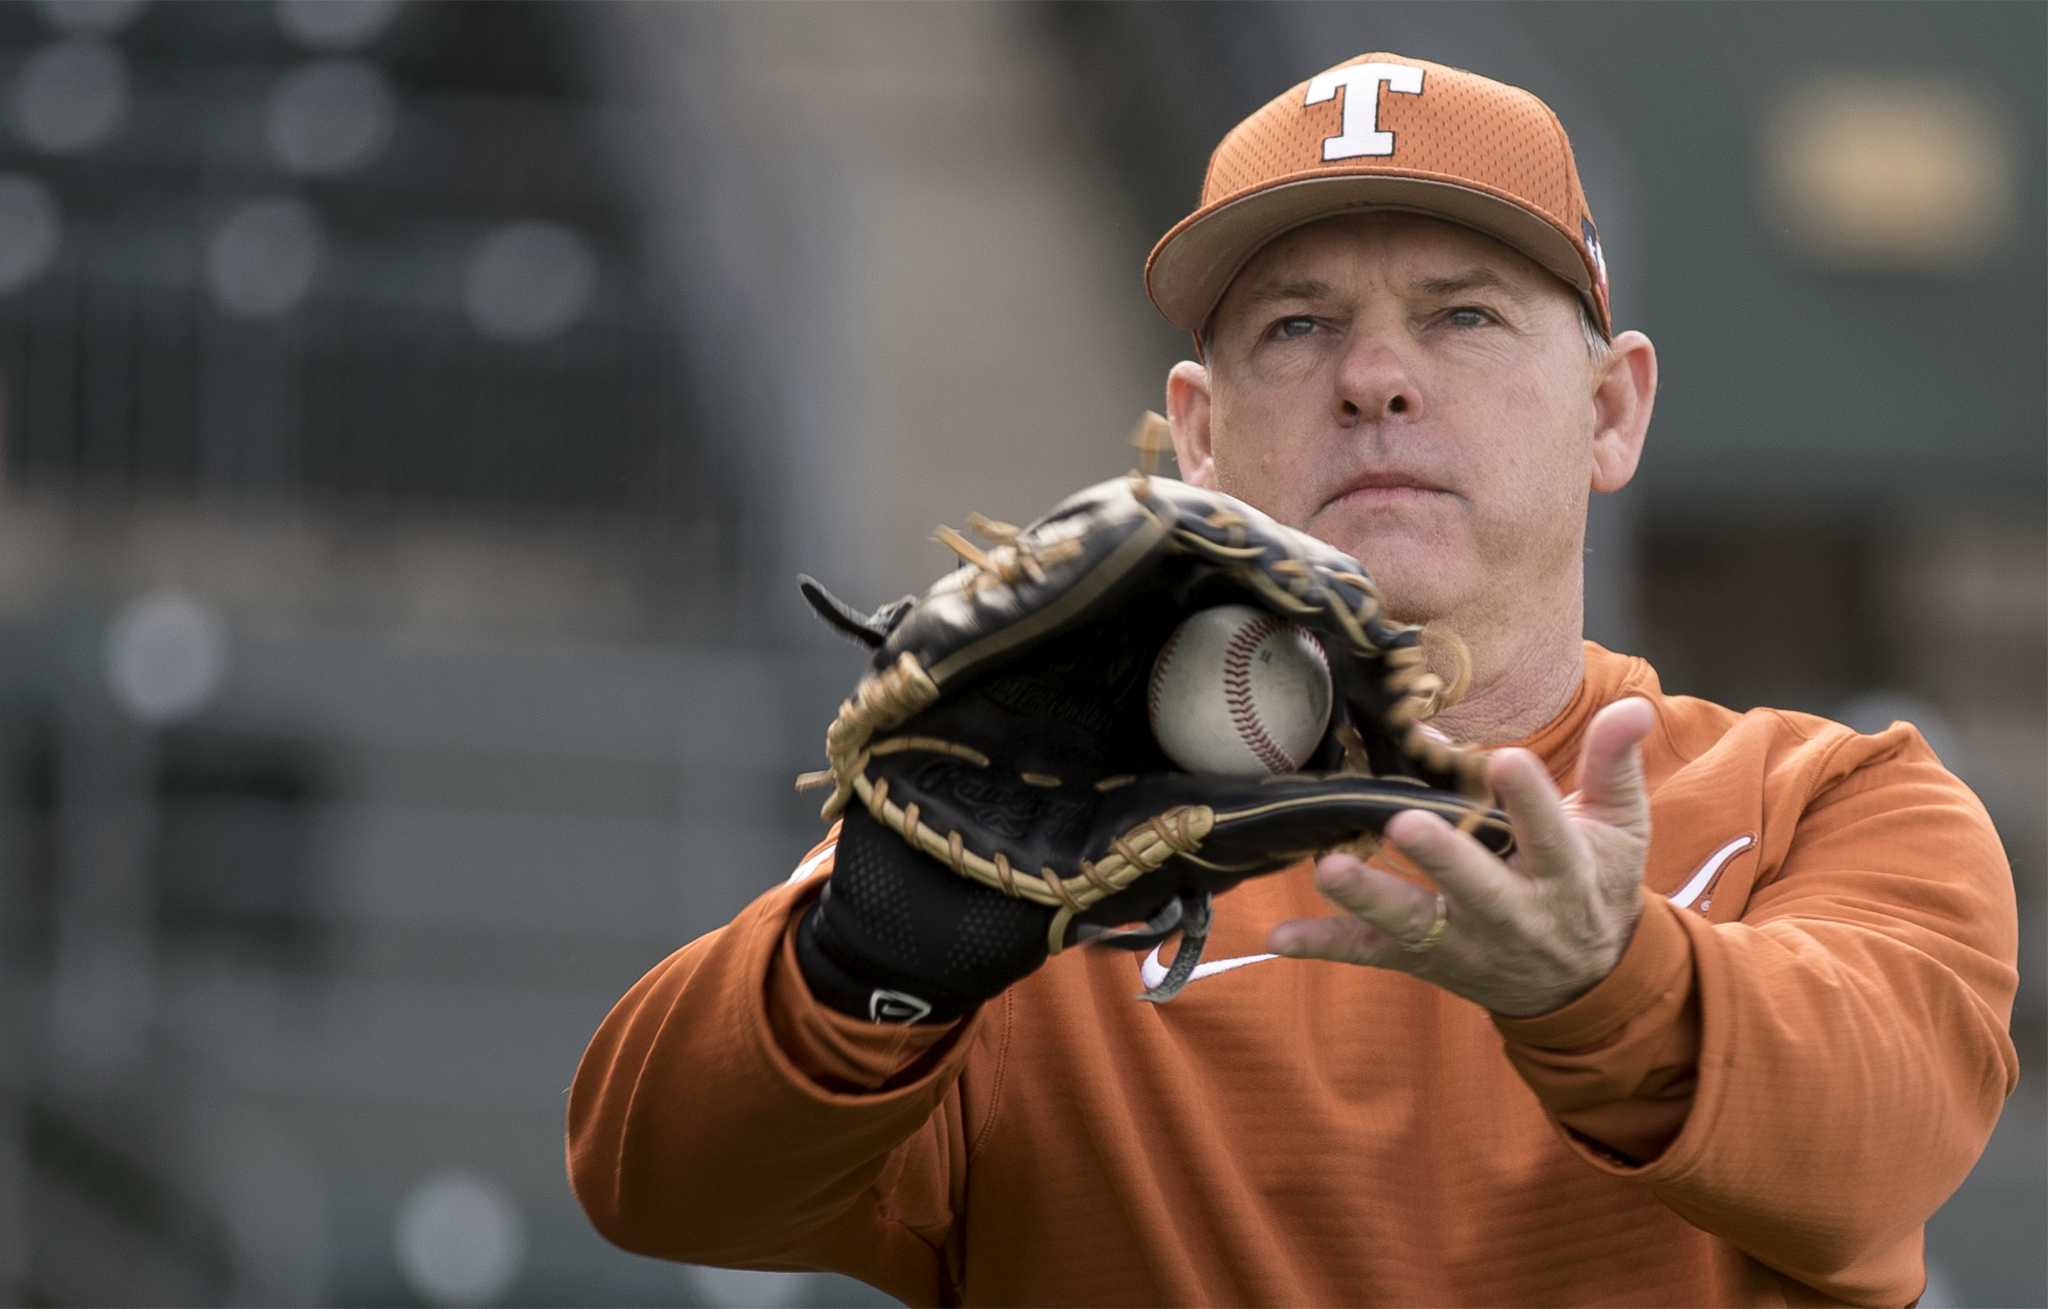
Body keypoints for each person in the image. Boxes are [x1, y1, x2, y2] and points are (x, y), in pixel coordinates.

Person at [566, 52, 2018, 1306]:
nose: (1375, 376)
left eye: (1462, 315)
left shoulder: (1831, 803)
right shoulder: (1057, 834)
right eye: (1298, 326)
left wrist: (1605, 987)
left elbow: (1877, 1143)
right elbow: (662, 1184)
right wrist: (866, 957)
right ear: (1197, 434)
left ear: (1613, 407)